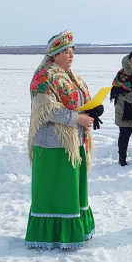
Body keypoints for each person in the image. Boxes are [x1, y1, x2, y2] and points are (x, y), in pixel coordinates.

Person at [25, 29, 96, 249]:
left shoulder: (68, 75)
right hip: (53, 144)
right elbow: (47, 110)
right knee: (56, 190)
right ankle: (50, 234)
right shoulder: (44, 76)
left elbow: (79, 98)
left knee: (70, 189)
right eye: (66, 51)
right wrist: (78, 118)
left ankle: (73, 228)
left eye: (73, 50)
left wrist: (94, 109)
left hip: (73, 141)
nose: (71, 54)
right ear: (54, 55)